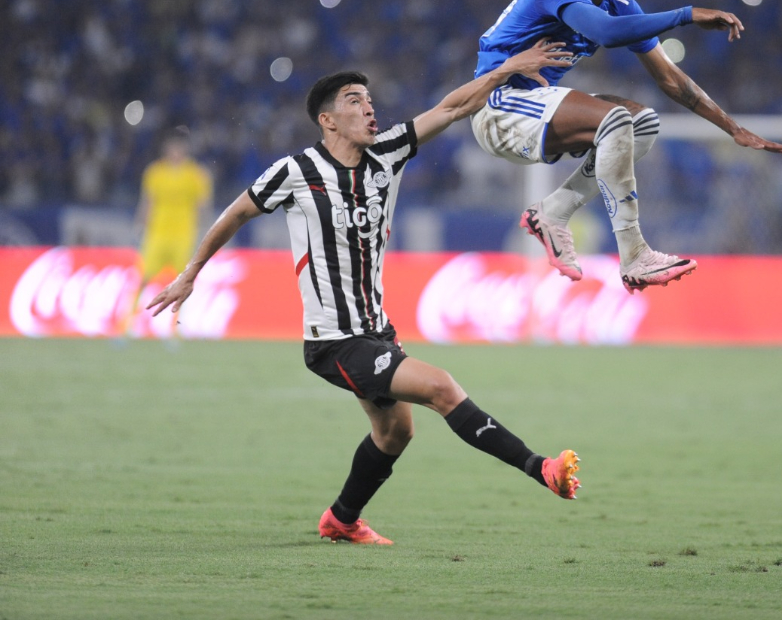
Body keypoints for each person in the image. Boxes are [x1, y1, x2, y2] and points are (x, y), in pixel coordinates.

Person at [147, 40, 578, 545]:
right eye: (354, 100)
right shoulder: (296, 172)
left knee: (396, 433)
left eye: (369, 98)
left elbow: (454, 107)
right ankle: (541, 468)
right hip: (334, 340)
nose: (369, 106)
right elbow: (238, 211)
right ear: (328, 120)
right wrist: (191, 272)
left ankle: (341, 519)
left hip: (377, 331)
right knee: (441, 387)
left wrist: (508, 70)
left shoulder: (388, 154)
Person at [472, 0, 782, 293]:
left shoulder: (620, 2)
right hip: (497, 107)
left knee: (642, 123)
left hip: (533, 106)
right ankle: (635, 254)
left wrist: (733, 129)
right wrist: (687, 15)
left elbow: (671, 79)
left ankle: (552, 213)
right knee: (614, 120)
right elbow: (606, 34)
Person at [127, 129, 212, 334]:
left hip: (183, 235)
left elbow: (203, 206)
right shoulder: (155, 172)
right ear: (166, 149)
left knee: (182, 284)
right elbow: (147, 202)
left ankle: (176, 330)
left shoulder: (197, 174)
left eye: (179, 148)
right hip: (156, 234)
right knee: (142, 279)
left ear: (185, 150)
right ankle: (127, 327)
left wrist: (207, 234)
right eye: (172, 147)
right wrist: (140, 226)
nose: (175, 152)